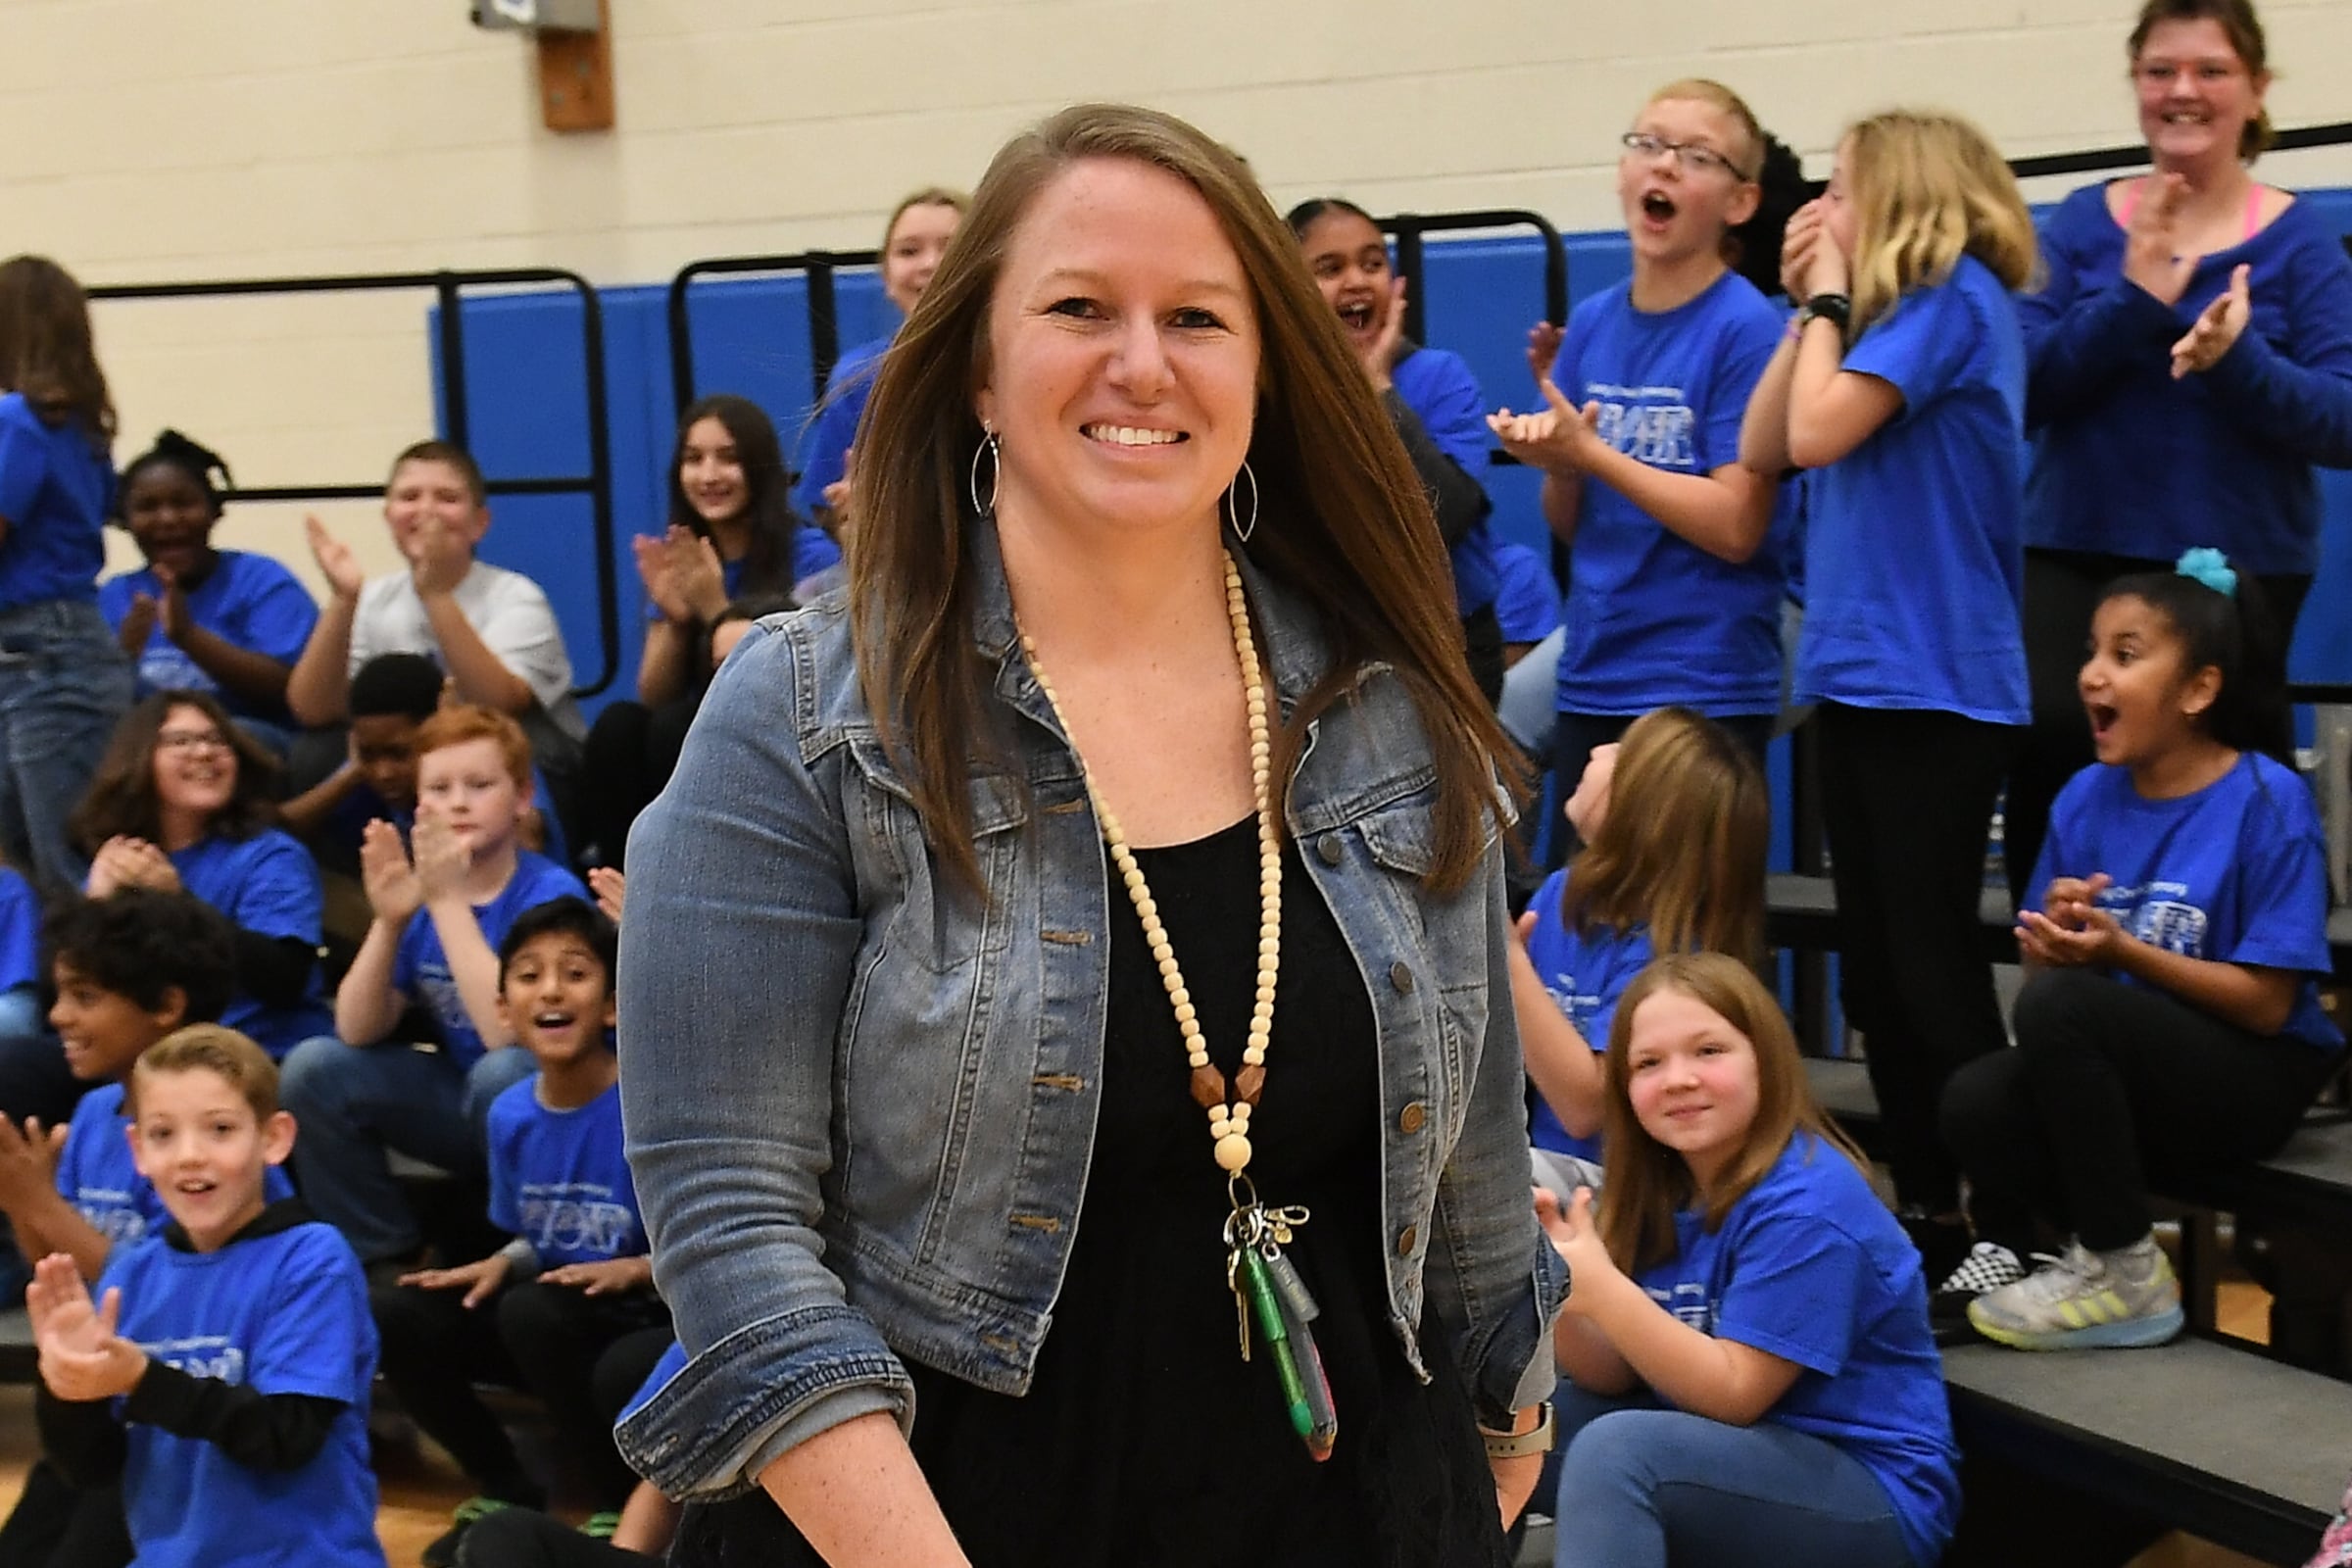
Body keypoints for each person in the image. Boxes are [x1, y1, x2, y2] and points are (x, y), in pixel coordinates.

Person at [616, 103, 1564, 1568]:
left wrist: (1495, 1460)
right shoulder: (797, 723)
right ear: (981, 370)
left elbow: (1479, 1194)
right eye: (1078, 307)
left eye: (1197, 315)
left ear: (1261, 372)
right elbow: (734, 1247)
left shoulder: (1390, 711)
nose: (1143, 361)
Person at [1739, 108, 2037, 1280]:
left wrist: (1819, 304)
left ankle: (2015, 1222)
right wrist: (1804, 305)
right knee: (1877, 969)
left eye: (1844, 188)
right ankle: (1930, 1211)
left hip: (1940, 685)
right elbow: (1767, 437)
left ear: (1904, 196)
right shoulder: (1870, 322)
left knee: (1931, 967)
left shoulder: (1951, 299)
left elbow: (1813, 436)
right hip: (1862, 680)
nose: (1825, 208)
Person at [1938, 555, 2342, 1348]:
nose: (2091, 674)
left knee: (2065, 1009)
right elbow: (2050, 992)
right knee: (1976, 1098)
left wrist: (2120, 952)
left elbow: (2267, 1006)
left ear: (2197, 691)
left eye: (2125, 656)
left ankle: (2126, 1270)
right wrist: (2055, 941)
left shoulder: (2267, 799)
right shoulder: (2084, 795)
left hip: (2257, 1074)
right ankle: (2062, 1251)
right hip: (2144, 1066)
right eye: (2091, 651)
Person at [2003, 0, 2352, 906]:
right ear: (2136, 87)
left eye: (2210, 71)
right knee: (2052, 736)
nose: (2182, 92)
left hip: (2237, 568)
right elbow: (2025, 389)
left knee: (2235, 787)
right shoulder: (2081, 224)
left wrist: (2239, 364)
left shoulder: (2301, 244)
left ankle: (2239, 1003)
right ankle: (2063, 980)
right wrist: (2131, 303)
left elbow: (2342, 423)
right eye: (2161, 72)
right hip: (2078, 552)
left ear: (2255, 90)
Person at [1542, 954, 1958, 1568]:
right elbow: (1615, 1375)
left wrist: (1605, 1290)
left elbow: (1736, 1393)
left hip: (1866, 1487)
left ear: (1766, 1058)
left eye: (1708, 1051)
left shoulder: (1809, 1206)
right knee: (1516, 1421)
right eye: (1648, 1063)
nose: (1678, 1078)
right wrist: (1562, 1292)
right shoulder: (1661, 1187)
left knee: (1618, 1452)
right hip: (1727, 1448)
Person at [1489, 81, 1791, 863]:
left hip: (1703, 685)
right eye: (1648, 145)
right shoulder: (1592, 321)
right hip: (1597, 671)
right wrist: (1559, 465)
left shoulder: (1747, 329)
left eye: (1695, 157)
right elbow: (1572, 521)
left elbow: (1737, 525)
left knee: (1687, 955)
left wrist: (1594, 456)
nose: (1663, 167)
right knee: (1581, 939)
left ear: (1739, 200)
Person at [374, 897, 663, 1567]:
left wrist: (636, 1267)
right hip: (548, 1309)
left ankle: (613, 1501)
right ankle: (505, 1483)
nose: (553, 989)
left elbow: (704, 1245)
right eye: (529, 975)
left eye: (576, 972)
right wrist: (502, 1261)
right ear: (502, 1009)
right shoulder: (508, 1114)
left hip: (642, 1311)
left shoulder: (644, 1106)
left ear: (614, 1005)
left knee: (536, 1314)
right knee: (395, 1307)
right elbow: (537, 1234)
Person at [29, 1025, 385, 1568]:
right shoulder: (134, 1271)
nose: (190, 1156)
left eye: (220, 1129)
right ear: (137, 1150)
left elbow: (284, 1436)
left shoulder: (313, 1259)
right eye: (163, 1134)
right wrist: (67, 1387)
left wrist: (140, 1379)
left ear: (274, 1139)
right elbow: (91, 1469)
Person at [278, 706, 585, 1272]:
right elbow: (356, 1026)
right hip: (458, 1099)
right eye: (440, 789)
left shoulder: (548, 895)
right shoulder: (427, 897)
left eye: (479, 785)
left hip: (548, 1103)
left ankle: (524, 1253)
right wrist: (392, 920)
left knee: (506, 1073)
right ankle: (383, 1254)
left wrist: (444, 900)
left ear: (521, 798)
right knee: (314, 1068)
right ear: (419, 808)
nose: (459, 802)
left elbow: (508, 1035)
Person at [0, 892, 241, 1568]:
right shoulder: (97, 1109)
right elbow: (57, 1278)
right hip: (98, 1414)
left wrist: (39, 1202)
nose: (58, 1016)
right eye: (58, 993)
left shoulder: (215, 1136)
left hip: (176, 1424)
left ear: (165, 1006)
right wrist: (23, 1205)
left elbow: (168, 1290)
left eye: (84, 995)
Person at [1512, 707, 1767, 1166]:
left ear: (1641, 813)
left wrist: (1507, 964)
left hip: (1624, 1185)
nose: (1599, 749)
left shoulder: (1670, 957)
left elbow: (1585, 1109)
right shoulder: (1562, 893)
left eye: (1623, 753)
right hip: (1546, 1158)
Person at [578, 395, 815, 867]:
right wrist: (673, 618)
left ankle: (694, 871)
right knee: (619, 725)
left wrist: (715, 610)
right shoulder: (683, 553)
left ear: (759, 465)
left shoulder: (808, 553)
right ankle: (615, 880)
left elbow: (798, 684)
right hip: (689, 729)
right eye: (693, 459)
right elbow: (654, 693)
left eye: (727, 458)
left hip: (783, 739)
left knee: (676, 728)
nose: (708, 476)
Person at [1289, 197, 1506, 702]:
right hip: (1336, 647)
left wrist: (1376, 391)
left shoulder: (1440, 377)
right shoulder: (1281, 394)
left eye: (1372, 263)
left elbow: (1445, 514)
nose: (1357, 281)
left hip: (1451, 645)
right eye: (1330, 268)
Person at [285, 440, 586, 789]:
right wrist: (344, 599)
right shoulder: (375, 598)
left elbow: (499, 706)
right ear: (389, 517)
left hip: (525, 751)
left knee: (506, 751)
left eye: (447, 498)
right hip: (403, 752)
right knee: (316, 752)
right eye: (409, 497)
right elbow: (313, 710)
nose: (426, 511)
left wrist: (435, 594)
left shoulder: (515, 597)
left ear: (480, 523)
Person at [69, 693, 333, 1059]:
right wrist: (93, 910)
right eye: (181, 741)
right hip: (150, 1059)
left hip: (261, 1053)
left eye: (217, 740)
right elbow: (71, 1001)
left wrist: (177, 904)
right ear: (140, 758)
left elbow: (284, 978)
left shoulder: (271, 853)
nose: (205, 752)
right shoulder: (123, 859)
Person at [0, 256, 135, 890]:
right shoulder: (80, 430)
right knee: (43, 860)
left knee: (61, 867)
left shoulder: (18, 422)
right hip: (56, 644)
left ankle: (98, 988)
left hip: (40, 650)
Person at [96, 430, 317, 751]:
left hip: (253, 743)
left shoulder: (262, 580)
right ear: (125, 521)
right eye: (148, 507)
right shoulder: (114, 596)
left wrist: (188, 636)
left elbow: (288, 690)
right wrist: (124, 657)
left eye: (183, 503)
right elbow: (94, 707)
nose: (168, 518)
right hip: (149, 753)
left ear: (214, 510)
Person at [280, 652, 568, 883]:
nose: (383, 772)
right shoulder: (370, 767)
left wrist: (449, 741)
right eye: (369, 755)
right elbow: (278, 830)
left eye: (398, 753)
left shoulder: (489, 756)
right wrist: (353, 773)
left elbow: (528, 839)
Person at [791, 187, 968, 532]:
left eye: (950, 248)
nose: (930, 264)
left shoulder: (1015, 366)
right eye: (909, 251)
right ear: (887, 277)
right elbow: (824, 506)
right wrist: (853, 514)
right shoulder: (858, 378)